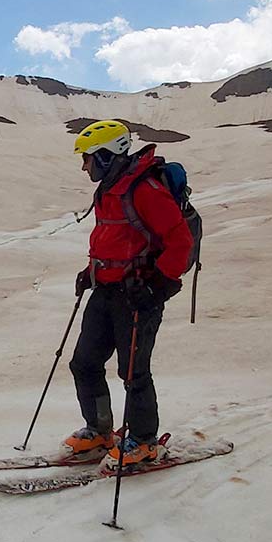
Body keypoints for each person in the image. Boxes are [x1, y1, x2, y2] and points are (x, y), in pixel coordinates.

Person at [64, 120, 193, 465]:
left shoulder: (145, 189)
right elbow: (115, 241)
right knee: (84, 363)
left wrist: (159, 285)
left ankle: (144, 441)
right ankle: (101, 429)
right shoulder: (108, 189)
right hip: (107, 290)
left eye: (87, 158)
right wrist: (91, 272)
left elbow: (180, 241)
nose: (84, 165)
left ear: (105, 156)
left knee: (134, 372)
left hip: (139, 296)